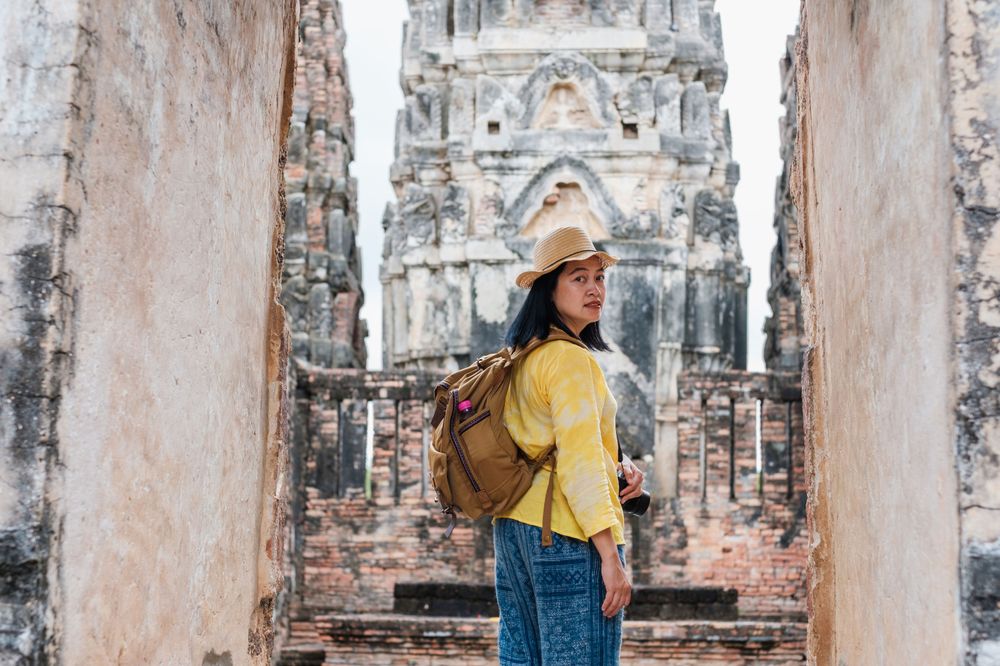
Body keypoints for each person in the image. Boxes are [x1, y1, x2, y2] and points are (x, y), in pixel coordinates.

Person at [494, 225, 646, 665]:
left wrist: (618, 466)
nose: (594, 289)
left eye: (599, 277)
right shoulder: (571, 360)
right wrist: (609, 559)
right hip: (564, 532)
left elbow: (548, 442)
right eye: (578, 278)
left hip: (513, 530)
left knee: (525, 658)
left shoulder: (523, 356)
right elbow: (577, 465)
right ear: (548, 289)